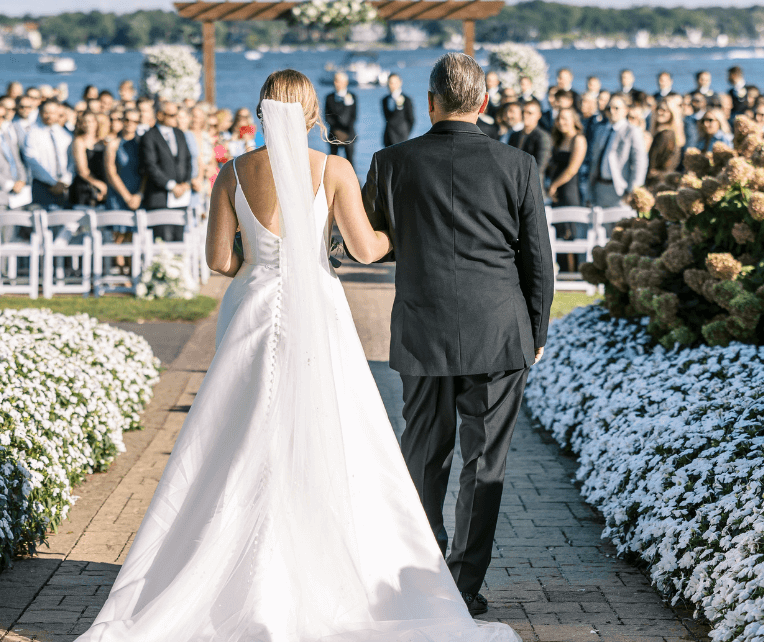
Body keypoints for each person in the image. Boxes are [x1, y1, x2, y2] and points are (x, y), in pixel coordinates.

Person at [78, 66, 518, 640]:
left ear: (263, 113)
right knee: (328, 430)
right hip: (317, 309)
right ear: (312, 115)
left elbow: (218, 262)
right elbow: (364, 250)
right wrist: (405, 228)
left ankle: (220, 561)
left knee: (240, 436)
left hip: (253, 307)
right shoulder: (332, 169)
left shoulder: (231, 172)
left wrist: (257, 258)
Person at [360, 53, 552, 617]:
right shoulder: (516, 165)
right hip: (499, 332)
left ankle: (419, 576)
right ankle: (463, 587)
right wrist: (535, 330)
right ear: (484, 102)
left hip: (423, 329)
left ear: (430, 102)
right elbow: (538, 260)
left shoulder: (391, 161)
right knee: (483, 463)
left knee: (422, 457)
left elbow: (370, 243)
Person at [139, 101, 194, 243]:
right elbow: (150, 166)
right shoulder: (149, 136)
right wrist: (171, 186)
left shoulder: (179, 133)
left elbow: (187, 159)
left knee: (179, 238)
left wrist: (185, 183)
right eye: (172, 115)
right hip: (159, 197)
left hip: (180, 196)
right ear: (160, 115)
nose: (176, 118)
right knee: (162, 241)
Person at [584, 94, 648, 208]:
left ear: (626, 110)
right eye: (609, 108)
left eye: (616, 108)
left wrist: (633, 190)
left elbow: (640, 162)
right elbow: (594, 160)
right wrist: (590, 189)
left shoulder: (632, 131)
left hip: (620, 189)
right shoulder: (600, 130)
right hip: (599, 187)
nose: (612, 111)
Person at [24, 100, 74, 210]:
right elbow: (32, 161)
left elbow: (72, 161)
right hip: (42, 185)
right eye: (46, 112)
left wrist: (65, 181)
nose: (49, 116)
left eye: (53, 112)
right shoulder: (33, 134)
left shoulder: (66, 135)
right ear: (41, 113)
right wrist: (52, 182)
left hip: (64, 187)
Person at [545, 107, 586, 207]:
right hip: (555, 190)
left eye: (564, 119)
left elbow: (572, 170)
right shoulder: (559, 140)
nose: (560, 122)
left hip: (570, 191)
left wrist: (554, 186)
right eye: (558, 119)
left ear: (574, 120)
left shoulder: (578, 140)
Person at [104, 111, 144, 212]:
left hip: (138, 197)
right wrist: (127, 197)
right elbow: (111, 173)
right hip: (117, 196)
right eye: (127, 120)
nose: (130, 123)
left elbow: (146, 172)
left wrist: (139, 195)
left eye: (135, 121)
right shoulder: (113, 144)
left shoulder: (142, 144)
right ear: (122, 121)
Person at [68, 111, 109, 207]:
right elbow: (82, 170)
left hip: (103, 187)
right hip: (85, 187)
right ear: (81, 124)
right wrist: (100, 185)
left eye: (92, 121)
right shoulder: (79, 141)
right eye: (85, 122)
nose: (89, 124)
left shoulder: (103, 141)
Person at [507, 100, 552, 177]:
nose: (525, 115)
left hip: (532, 184)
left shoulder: (543, 137)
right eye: (523, 112)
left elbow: (539, 167)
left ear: (539, 115)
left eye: (529, 113)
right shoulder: (514, 135)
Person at [647, 93, 685, 183]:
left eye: (664, 110)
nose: (660, 112)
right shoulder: (666, 133)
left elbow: (658, 165)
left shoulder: (665, 135)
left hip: (658, 181)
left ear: (672, 113)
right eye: (658, 109)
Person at [324, 71, 359, 162]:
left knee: (350, 161)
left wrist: (345, 132)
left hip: (349, 134)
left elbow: (353, 117)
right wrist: (337, 131)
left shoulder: (352, 97)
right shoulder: (329, 97)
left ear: (345, 82)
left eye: (338, 81)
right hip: (334, 135)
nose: (336, 83)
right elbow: (327, 117)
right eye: (335, 80)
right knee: (332, 161)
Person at [380, 73, 415, 147]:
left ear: (400, 82)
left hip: (401, 139)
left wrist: (405, 134)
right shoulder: (384, 100)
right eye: (389, 82)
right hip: (388, 138)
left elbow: (411, 119)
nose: (391, 85)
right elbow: (386, 119)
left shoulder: (407, 99)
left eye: (394, 82)